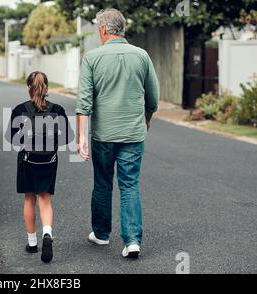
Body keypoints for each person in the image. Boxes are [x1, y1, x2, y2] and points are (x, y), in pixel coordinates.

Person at [76, 9, 160, 258]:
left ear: (103, 29)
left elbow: (84, 102)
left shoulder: (92, 58)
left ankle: (101, 234)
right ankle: (132, 240)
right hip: (133, 135)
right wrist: (146, 121)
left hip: (103, 136)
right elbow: (153, 98)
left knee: (102, 183)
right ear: (122, 29)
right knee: (130, 185)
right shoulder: (142, 56)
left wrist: (81, 137)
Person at [7, 71, 73, 263]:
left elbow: (11, 138)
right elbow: (67, 137)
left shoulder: (20, 109)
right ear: (47, 88)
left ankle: (32, 243)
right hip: (49, 160)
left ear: (28, 87)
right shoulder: (58, 109)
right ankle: (47, 234)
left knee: (29, 198)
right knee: (45, 199)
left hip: (27, 159)